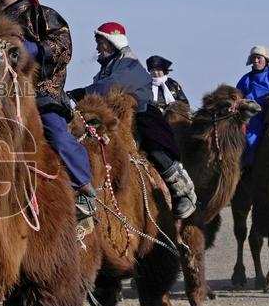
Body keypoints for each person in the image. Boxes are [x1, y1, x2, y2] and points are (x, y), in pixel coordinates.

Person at [0, 0, 97, 222]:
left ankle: (84, 188)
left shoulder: (43, 15)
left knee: (57, 135)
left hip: (40, 94)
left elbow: (62, 48)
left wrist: (28, 49)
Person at [68, 22, 197, 219]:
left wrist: (83, 92)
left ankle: (182, 190)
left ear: (111, 43)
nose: (97, 48)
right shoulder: (107, 67)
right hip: (112, 117)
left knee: (156, 146)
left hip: (140, 112)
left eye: (100, 43)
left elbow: (111, 86)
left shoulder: (129, 64)